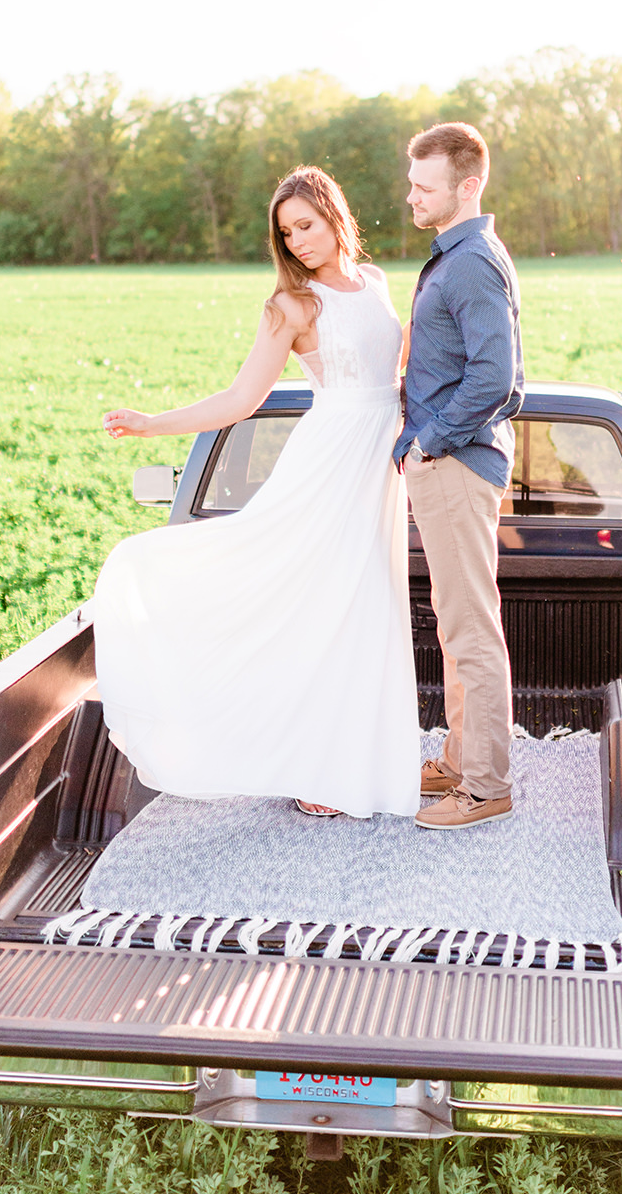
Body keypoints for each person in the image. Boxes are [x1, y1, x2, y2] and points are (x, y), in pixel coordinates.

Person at [92, 166, 420, 819]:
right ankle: (313, 768)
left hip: (376, 464)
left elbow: (400, 367)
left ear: (334, 215)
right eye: (285, 233)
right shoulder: (290, 307)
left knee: (365, 609)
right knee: (321, 609)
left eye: (306, 225)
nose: (297, 241)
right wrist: (153, 423)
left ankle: (357, 763)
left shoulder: (376, 282)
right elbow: (243, 399)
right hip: (326, 467)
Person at [393, 123, 524, 831]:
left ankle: (486, 785)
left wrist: (430, 443)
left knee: (470, 626)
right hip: (448, 462)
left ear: (466, 185)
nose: (410, 195)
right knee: (455, 622)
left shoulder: (470, 260)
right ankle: (461, 754)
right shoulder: (459, 255)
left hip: (454, 463)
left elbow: (496, 377)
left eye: (423, 184)